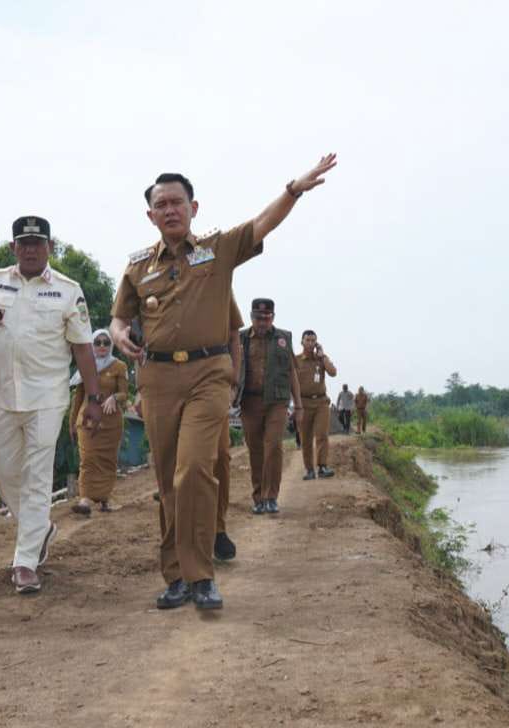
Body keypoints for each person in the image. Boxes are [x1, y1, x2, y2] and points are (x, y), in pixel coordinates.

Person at [110, 154, 338, 611]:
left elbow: (261, 224)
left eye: (178, 202)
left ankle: (200, 576)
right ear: (150, 215)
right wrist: (118, 335)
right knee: (168, 479)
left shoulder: (218, 250)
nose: (170, 210)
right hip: (157, 380)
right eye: (161, 204)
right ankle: (175, 576)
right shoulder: (137, 268)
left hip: (208, 375)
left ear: (194, 208)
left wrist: (294, 189)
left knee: (195, 468)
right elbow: (119, 317)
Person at [0, 216, 101, 595]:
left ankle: (25, 562)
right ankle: (40, 528)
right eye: (23, 243)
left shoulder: (68, 291)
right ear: (13, 248)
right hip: (1, 394)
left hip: (47, 398)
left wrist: (92, 397)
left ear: (49, 247)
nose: (30, 250)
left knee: (37, 475)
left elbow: (83, 347)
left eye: (37, 244)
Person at [237, 298, 301, 515]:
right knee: (255, 450)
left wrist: (298, 406)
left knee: (273, 447)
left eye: (266, 318)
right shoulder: (240, 338)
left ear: (272, 317)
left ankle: (271, 497)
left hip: (277, 401)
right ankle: (258, 498)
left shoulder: (284, 338)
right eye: (258, 318)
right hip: (249, 401)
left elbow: (292, 372)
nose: (262, 322)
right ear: (251, 317)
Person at [68, 329, 125, 517]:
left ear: (111, 345)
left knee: (108, 461)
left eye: (106, 342)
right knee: (88, 460)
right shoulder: (86, 366)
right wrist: (71, 423)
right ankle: (84, 500)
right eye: (97, 342)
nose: (102, 346)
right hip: (87, 423)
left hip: (111, 425)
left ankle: (104, 499)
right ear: (92, 345)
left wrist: (115, 398)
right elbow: (78, 398)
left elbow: (125, 393)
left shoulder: (119, 366)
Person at [213, 294, 246, 561]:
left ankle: (217, 529)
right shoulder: (158, 277)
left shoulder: (219, 284)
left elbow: (234, 336)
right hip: (168, 384)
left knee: (220, 457)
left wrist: (233, 382)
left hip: (212, 384)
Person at [294, 330, 337, 480]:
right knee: (305, 438)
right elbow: (290, 382)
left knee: (322, 435)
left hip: (321, 402)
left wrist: (323, 356)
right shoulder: (296, 360)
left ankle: (322, 467)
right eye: (308, 340)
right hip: (303, 403)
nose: (310, 343)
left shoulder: (321, 359)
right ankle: (309, 470)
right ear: (302, 342)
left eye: (313, 341)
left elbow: (333, 372)